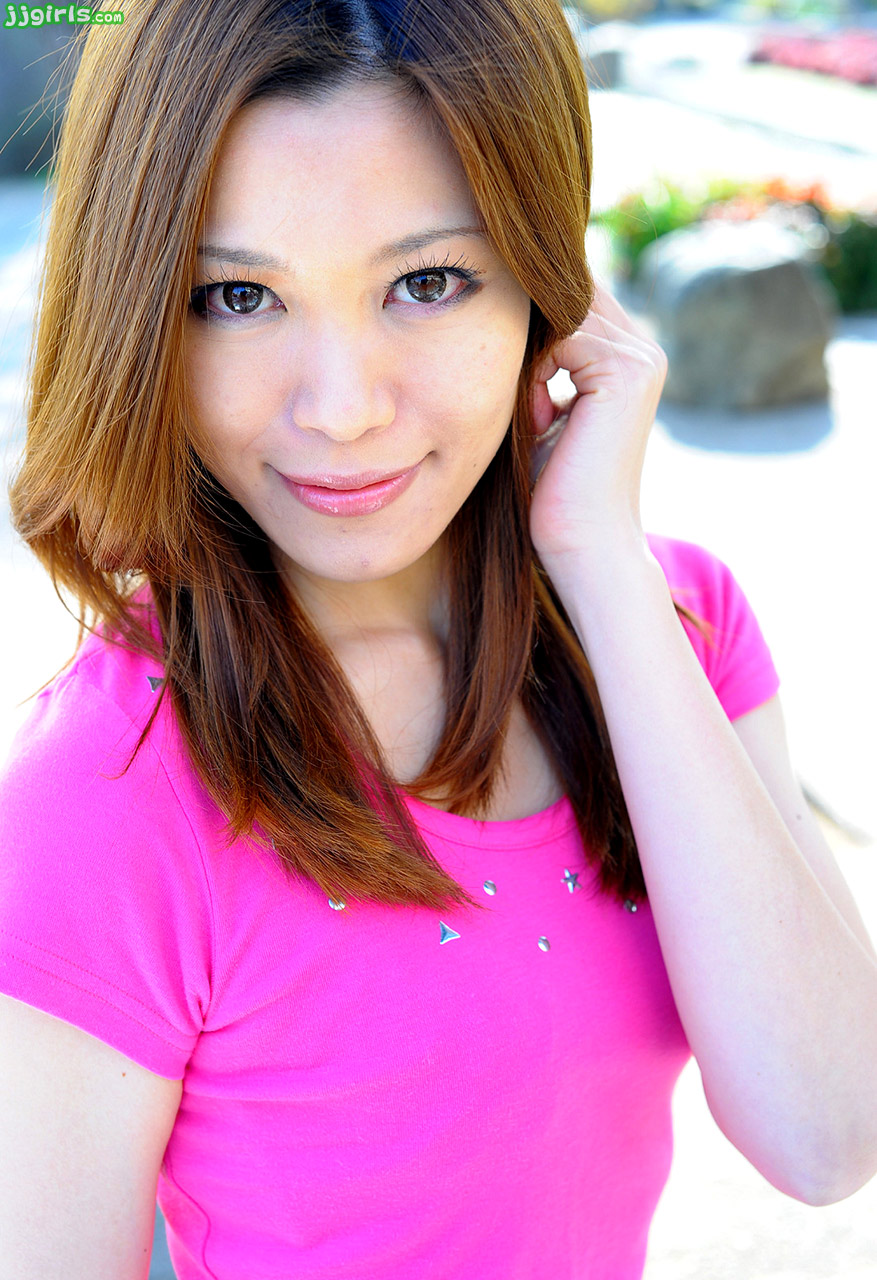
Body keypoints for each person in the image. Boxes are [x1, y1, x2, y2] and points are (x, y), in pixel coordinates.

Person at [1, 0, 875, 1276]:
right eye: (237, 295)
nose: (343, 408)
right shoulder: (112, 785)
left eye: (427, 282)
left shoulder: (673, 625)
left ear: (547, 284)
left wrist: (600, 564)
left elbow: (827, 1129)